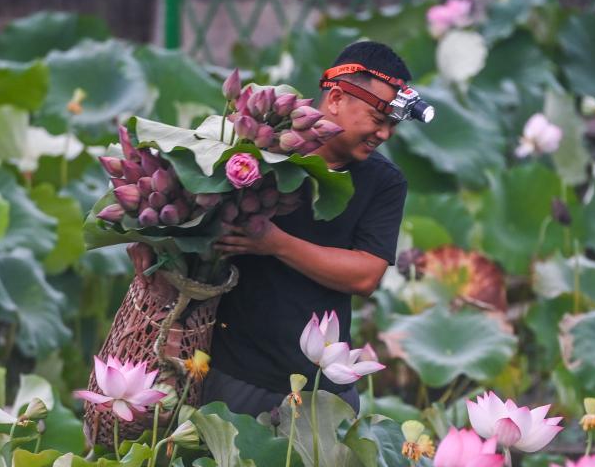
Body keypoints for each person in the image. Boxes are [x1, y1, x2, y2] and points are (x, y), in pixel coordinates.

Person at [130, 40, 411, 417]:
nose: (385, 135)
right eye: (378, 120)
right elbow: (181, 218)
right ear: (336, 99)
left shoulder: (384, 181)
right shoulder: (254, 149)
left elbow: (365, 275)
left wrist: (276, 243)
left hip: (323, 386)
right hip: (229, 375)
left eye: (392, 125)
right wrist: (150, 244)